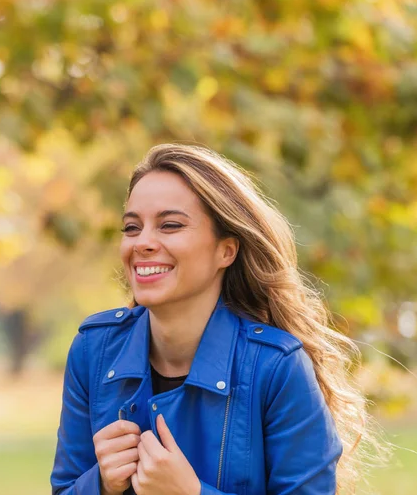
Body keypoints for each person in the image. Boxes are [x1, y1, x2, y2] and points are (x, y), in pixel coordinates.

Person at [50, 144, 376, 495]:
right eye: (131, 227)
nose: (142, 242)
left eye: (170, 225)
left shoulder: (277, 367)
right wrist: (99, 483)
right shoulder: (93, 350)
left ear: (226, 250)